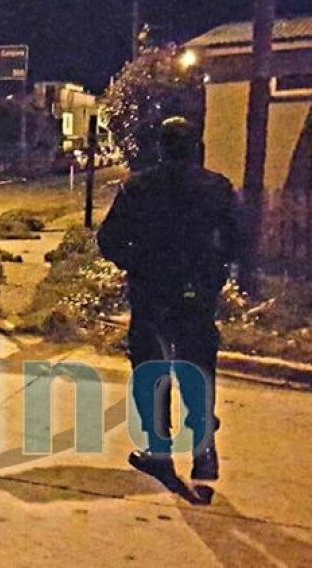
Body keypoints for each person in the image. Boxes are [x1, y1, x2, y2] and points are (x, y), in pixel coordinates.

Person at [98, 116, 241, 483]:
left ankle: (159, 452)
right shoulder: (217, 188)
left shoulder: (138, 188)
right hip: (197, 294)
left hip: (152, 294)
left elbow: (109, 240)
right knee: (198, 368)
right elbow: (237, 239)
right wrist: (215, 272)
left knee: (152, 371)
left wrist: (136, 264)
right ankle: (204, 452)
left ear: (161, 147)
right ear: (195, 146)